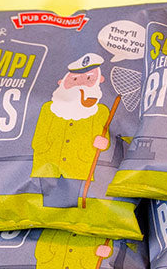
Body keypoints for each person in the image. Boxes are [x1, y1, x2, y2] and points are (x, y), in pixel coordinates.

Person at [32, 53, 113, 207]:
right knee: (46, 201)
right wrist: (44, 148)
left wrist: (103, 143)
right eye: (74, 79)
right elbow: (38, 138)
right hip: (48, 165)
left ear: (99, 81)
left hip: (80, 166)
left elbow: (105, 139)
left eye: (88, 79)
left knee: (73, 203)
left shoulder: (101, 111)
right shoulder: (49, 108)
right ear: (62, 82)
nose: (80, 84)